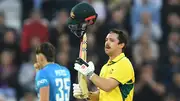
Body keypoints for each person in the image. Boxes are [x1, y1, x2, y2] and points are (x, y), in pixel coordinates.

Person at [73, 29, 135, 101]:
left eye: (111, 40)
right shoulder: (105, 67)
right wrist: (86, 94)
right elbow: (101, 94)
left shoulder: (124, 63)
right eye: (106, 40)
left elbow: (107, 86)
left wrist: (89, 73)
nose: (107, 42)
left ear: (121, 45)